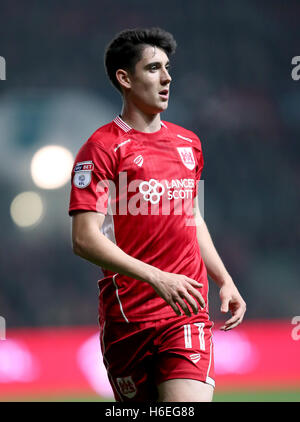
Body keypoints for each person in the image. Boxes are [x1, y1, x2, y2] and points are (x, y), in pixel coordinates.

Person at [69, 27, 246, 402]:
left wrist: (223, 279)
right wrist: (156, 278)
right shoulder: (100, 149)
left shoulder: (189, 143)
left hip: (186, 313)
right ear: (125, 78)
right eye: (153, 69)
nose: (167, 78)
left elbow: (191, 217)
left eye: (167, 68)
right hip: (128, 319)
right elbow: (84, 238)